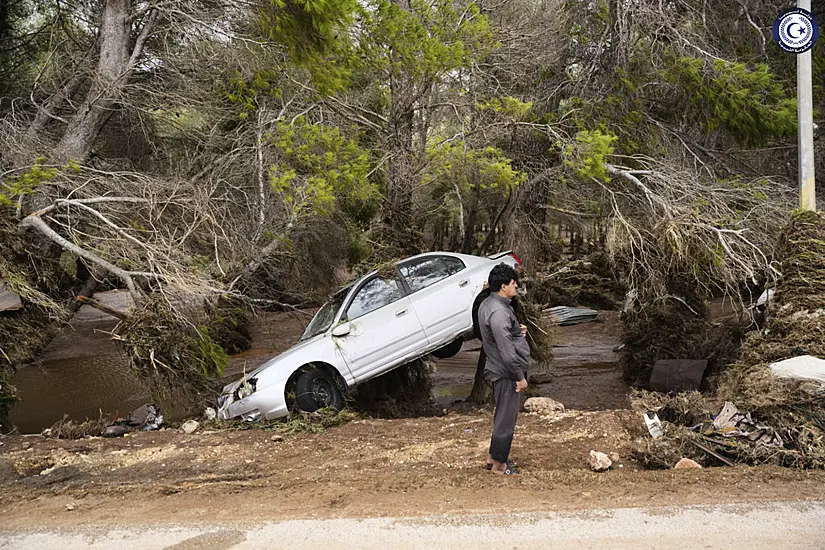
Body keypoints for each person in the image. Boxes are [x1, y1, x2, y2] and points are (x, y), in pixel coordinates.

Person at [477, 263, 530, 475]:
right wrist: (519, 377)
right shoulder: (499, 312)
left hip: (499, 368)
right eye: (512, 282)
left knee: (502, 415)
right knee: (506, 419)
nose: (515, 286)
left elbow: (501, 335)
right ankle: (499, 466)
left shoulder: (488, 305)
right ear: (503, 286)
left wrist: (518, 331)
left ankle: (493, 457)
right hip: (506, 372)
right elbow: (507, 351)